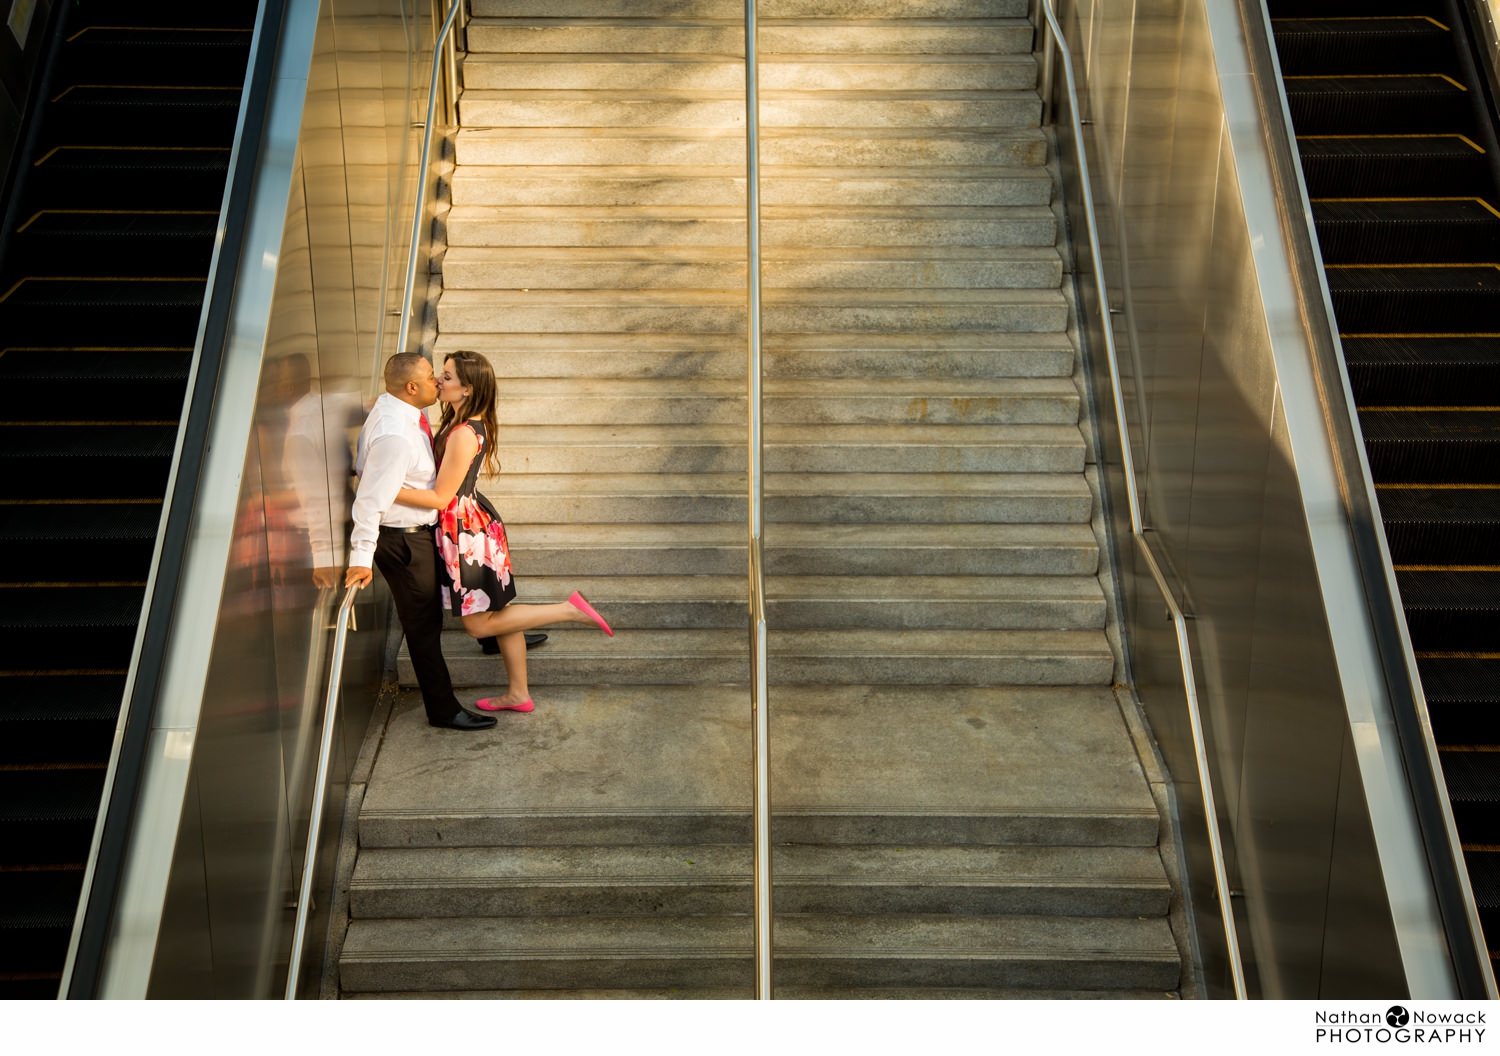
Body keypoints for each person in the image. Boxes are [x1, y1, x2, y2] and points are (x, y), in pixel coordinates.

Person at [396, 349, 613, 713]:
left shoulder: (464, 433)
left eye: (446, 377)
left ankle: (568, 610)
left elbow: (439, 497)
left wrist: (385, 487)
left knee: (480, 626)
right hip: (472, 527)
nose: (438, 382)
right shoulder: (460, 421)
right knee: (500, 612)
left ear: (467, 388)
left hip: (466, 535)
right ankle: (518, 693)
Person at [345, 352, 495, 731]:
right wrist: (360, 557)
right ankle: (444, 710)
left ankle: (497, 634)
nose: (438, 383)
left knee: (443, 608)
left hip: (418, 536)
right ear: (411, 388)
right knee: (424, 627)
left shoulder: (401, 411)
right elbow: (370, 499)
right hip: (404, 543)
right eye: (432, 377)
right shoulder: (396, 436)